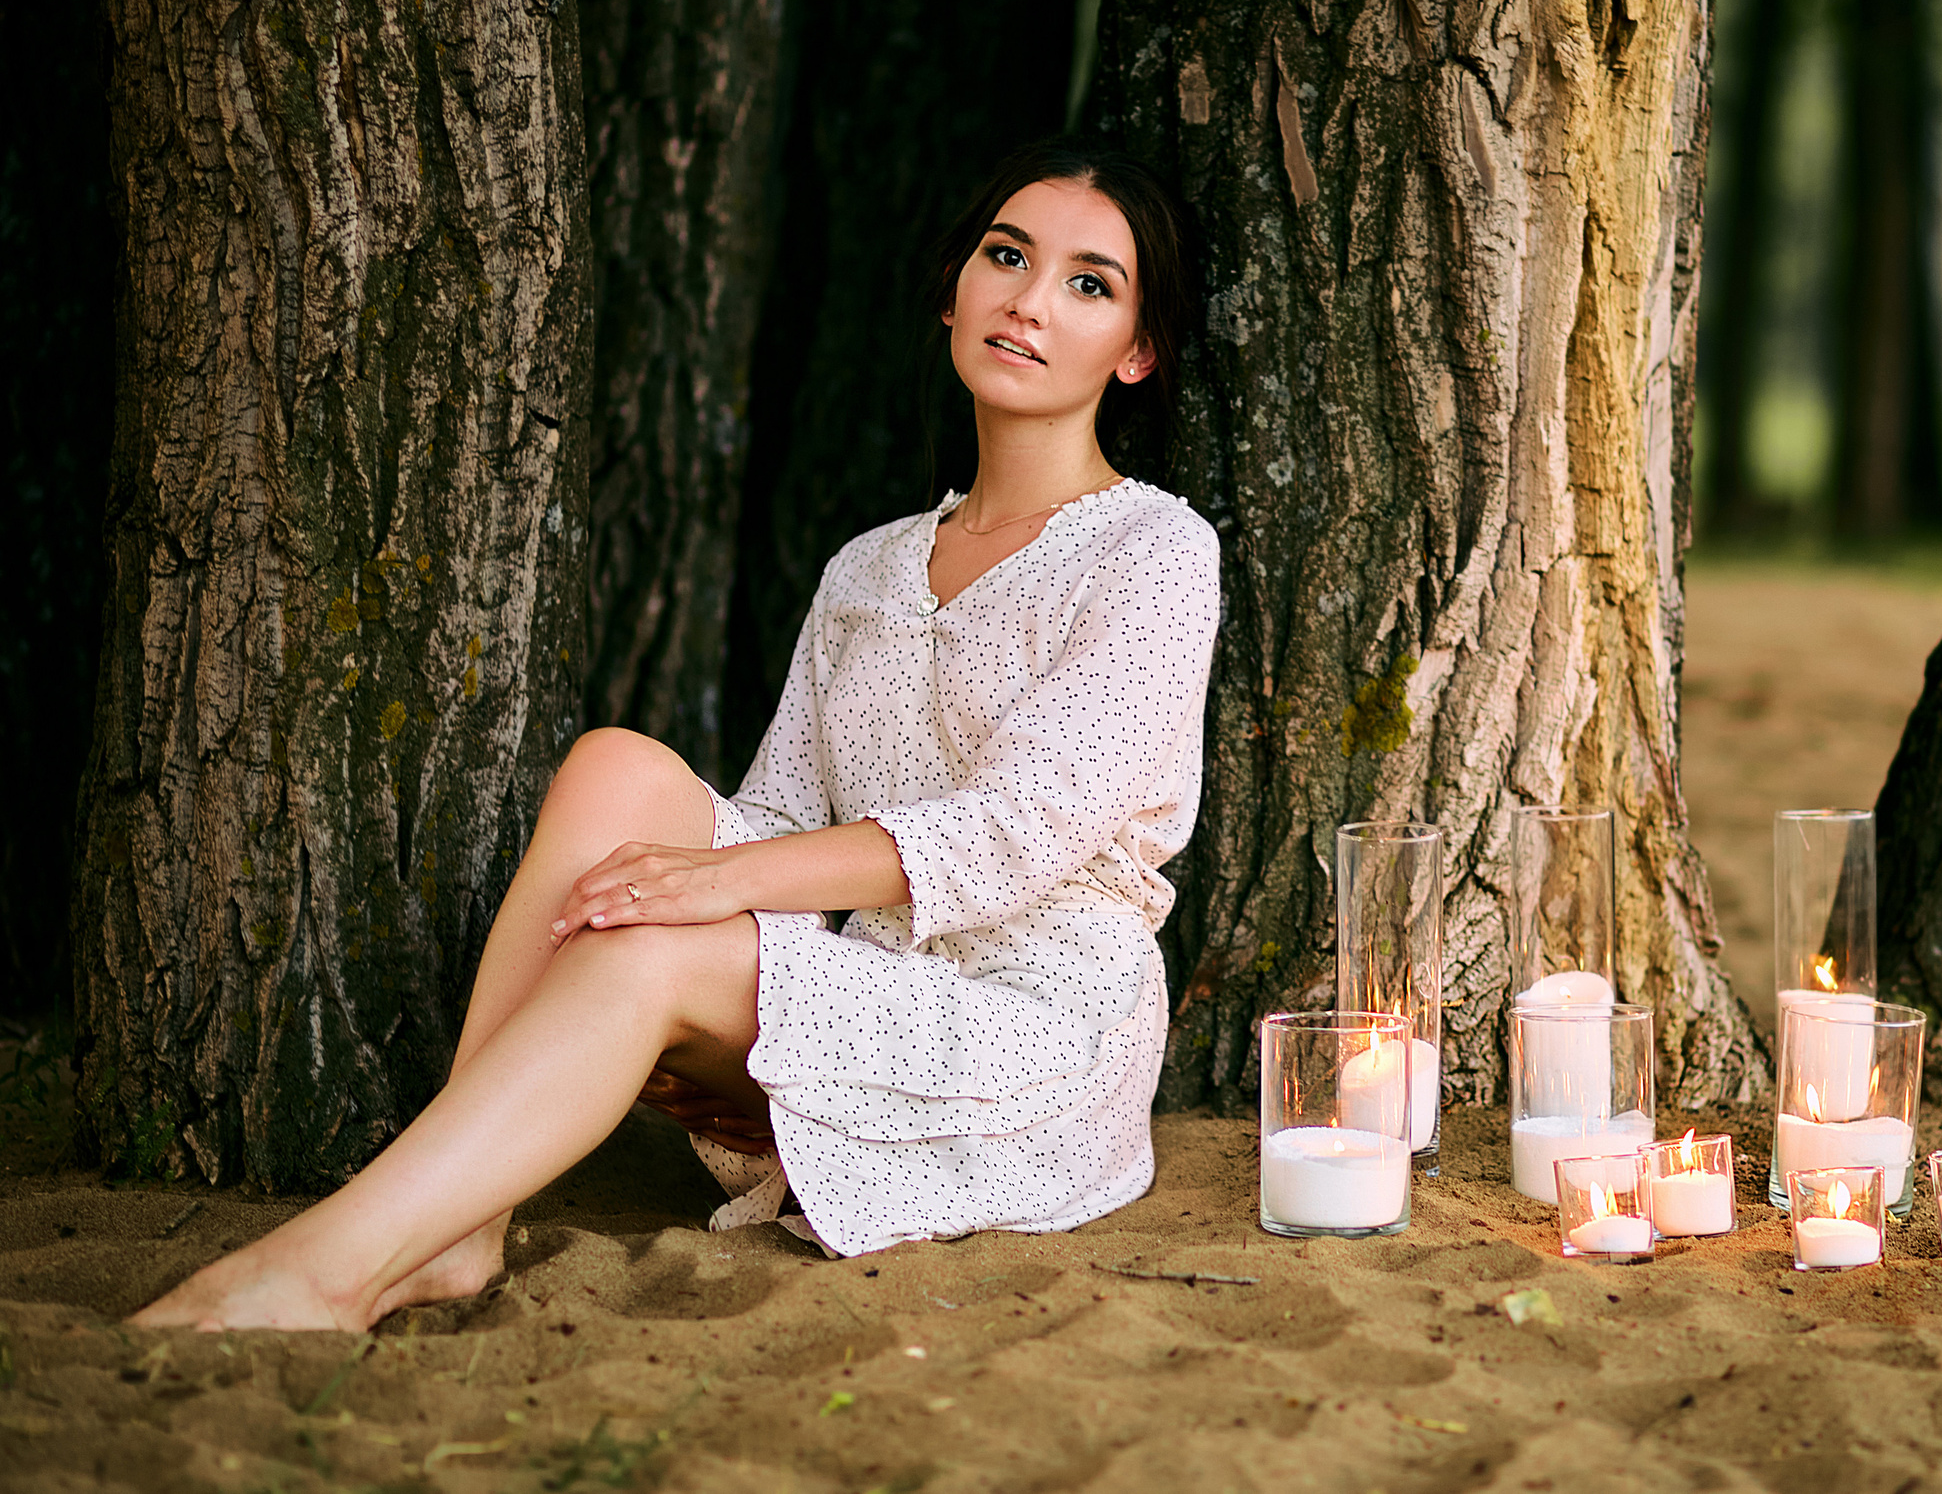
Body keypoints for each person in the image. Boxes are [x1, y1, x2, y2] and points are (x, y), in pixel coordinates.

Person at [134, 142, 1221, 1331]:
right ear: (954, 289)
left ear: (1136, 352)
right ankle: (459, 1226)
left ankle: (322, 1270)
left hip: (1036, 1027)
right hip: (860, 975)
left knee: (648, 940)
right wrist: (718, 899)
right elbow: (784, 812)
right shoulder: (869, 564)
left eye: (1088, 282)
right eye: (1005, 256)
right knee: (615, 765)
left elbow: (1008, 836)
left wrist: (709, 892)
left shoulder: (1152, 554)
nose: (1026, 298)